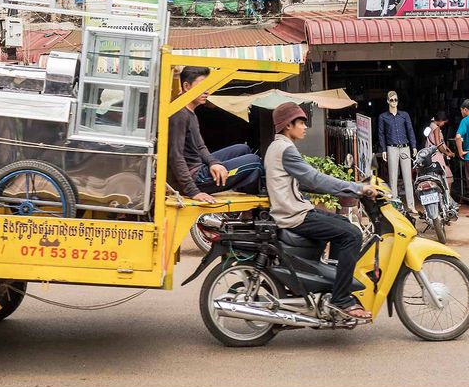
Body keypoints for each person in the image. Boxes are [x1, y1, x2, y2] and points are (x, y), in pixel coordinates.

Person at [264, 102, 377, 321]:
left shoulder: (277, 147)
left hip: (294, 210)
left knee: (344, 226)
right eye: (301, 123)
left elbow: (301, 182)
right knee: (352, 234)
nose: (305, 127)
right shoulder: (285, 149)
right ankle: (341, 299)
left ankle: (333, 285)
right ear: (289, 125)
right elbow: (315, 178)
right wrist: (357, 187)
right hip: (294, 215)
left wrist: (345, 190)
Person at [166, 66, 263, 203]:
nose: (207, 91)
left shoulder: (190, 112)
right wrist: (194, 192)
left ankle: (244, 206)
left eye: (208, 86)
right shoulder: (179, 114)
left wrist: (213, 163)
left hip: (199, 166)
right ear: (187, 86)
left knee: (243, 148)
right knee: (254, 161)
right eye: (202, 86)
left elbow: (200, 147)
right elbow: (175, 156)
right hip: (194, 178)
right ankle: (250, 210)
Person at [377, 90, 417, 211]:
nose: (394, 102)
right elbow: (381, 134)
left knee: (407, 177)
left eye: (396, 100)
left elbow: (410, 130)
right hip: (391, 147)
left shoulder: (404, 115)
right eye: (392, 100)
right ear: (388, 101)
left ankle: (411, 206)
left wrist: (414, 146)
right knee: (393, 177)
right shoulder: (383, 117)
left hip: (405, 147)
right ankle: (394, 206)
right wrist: (383, 149)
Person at [424, 111, 454, 185]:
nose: (443, 124)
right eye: (444, 122)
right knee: (448, 176)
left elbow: (441, 142)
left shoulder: (430, 125)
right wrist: (447, 153)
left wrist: (448, 150)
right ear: (440, 120)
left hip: (431, 155)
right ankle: (447, 196)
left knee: (435, 176)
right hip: (437, 155)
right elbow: (438, 144)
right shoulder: (436, 128)